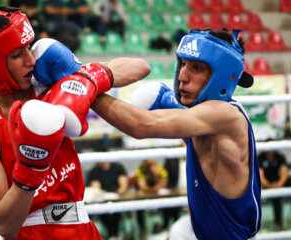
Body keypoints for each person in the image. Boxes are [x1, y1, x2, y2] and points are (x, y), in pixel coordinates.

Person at [0, 1, 150, 239]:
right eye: (17, 55)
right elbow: (5, 226)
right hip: (32, 233)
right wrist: (30, 170)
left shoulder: (46, 81)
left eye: (28, 48)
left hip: (82, 226)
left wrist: (82, 76)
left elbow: (140, 67)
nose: (30, 60)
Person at [91, 28, 261, 239]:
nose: (182, 76)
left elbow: (140, 125)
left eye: (196, 67)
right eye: (182, 64)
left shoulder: (224, 115)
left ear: (224, 75)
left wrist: (84, 84)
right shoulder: (199, 116)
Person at [87, 161, 128, 239]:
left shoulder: (117, 167)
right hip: (103, 198)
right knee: (102, 208)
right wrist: (102, 195)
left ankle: (116, 233)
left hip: (117, 197)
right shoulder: (94, 171)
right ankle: (111, 234)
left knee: (115, 208)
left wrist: (117, 195)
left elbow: (123, 186)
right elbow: (96, 188)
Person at [135, 158, 168, 234]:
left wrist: (155, 174)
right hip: (145, 197)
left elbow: (163, 186)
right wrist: (155, 189)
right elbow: (142, 187)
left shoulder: (160, 168)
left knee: (169, 205)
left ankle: (165, 228)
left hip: (159, 197)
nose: (149, 160)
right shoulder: (140, 169)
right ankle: (142, 230)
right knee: (138, 208)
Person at [258, 149, 289, 230]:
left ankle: (278, 224)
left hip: (277, 182)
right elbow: (260, 176)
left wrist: (279, 184)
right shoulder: (260, 158)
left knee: (277, 196)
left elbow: (284, 172)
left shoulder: (279, 157)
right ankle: (254, 224)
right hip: (263, 184)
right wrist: (270, 186)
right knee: (254, 194)